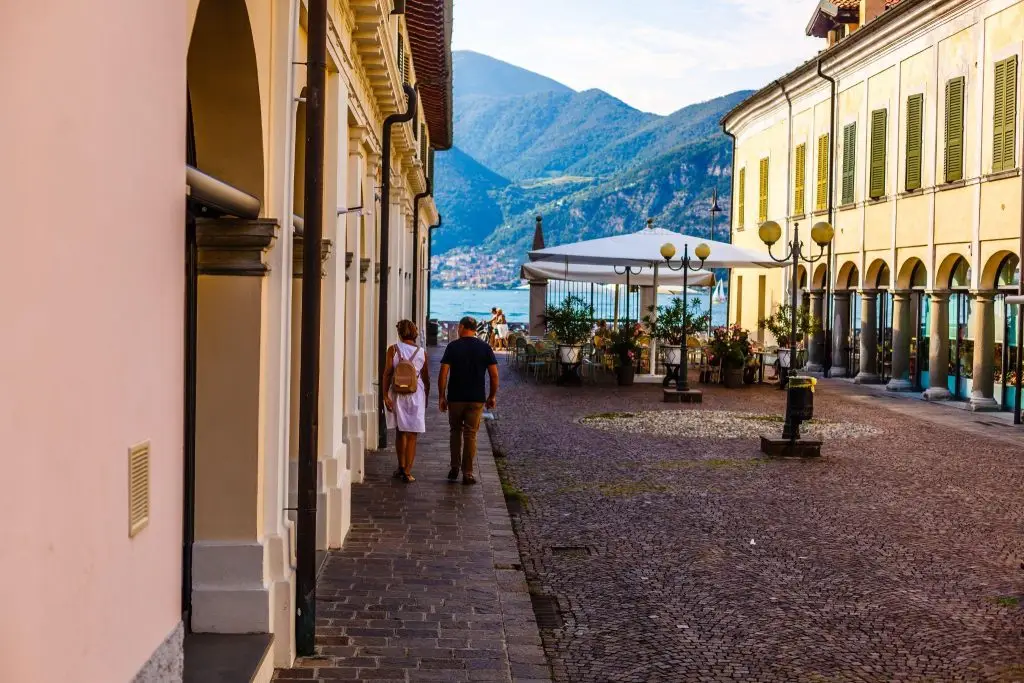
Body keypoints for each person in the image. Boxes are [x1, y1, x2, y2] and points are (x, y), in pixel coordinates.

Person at [438, 316, 498, 485]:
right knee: (471, 434)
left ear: (463, 327)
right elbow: (494, 375)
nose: (457, 329)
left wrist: (442, 396)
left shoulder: (452, 347)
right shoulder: (485, 347)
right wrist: (491, 396)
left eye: (459, 327)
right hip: (476, 398)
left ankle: (455, 467)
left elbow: (443, 373)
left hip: (455, 397)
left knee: (455, 432)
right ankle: (468, 473)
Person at [382, 320, 429, 483]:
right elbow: (425, 377)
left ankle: (401, 466)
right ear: (414, 333)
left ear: (400, 333)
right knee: (412, 434)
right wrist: (427, 396)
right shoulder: (422, 352)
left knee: (400, 431)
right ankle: (408, 471)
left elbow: (387, 373)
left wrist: (384, 395)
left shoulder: (393, 349)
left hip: (397, 393)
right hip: (416, 393)